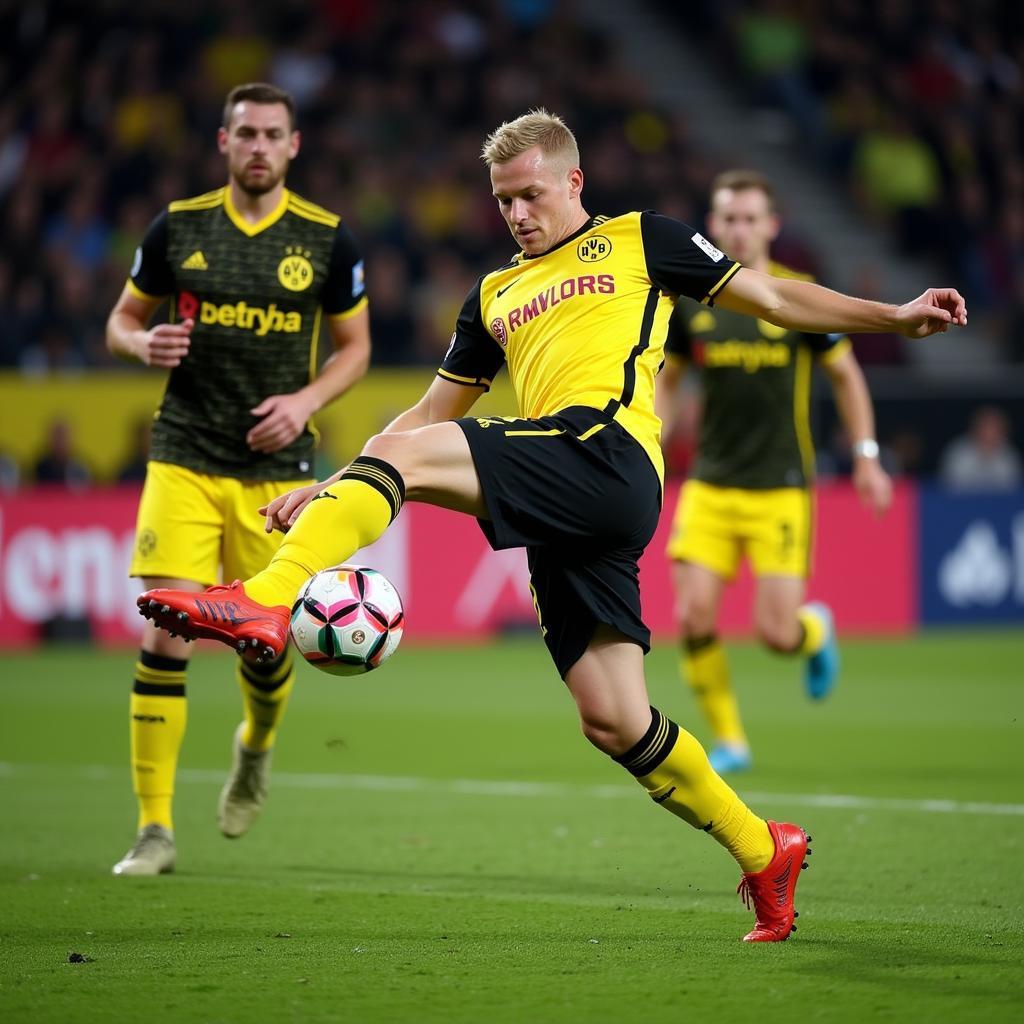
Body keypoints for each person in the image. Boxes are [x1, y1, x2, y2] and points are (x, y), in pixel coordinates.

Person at [137, 110, 966, 940]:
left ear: (573, 181)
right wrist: (334, 483)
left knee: (419, 462)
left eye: (531, 194)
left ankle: (270, 598)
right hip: (569, 511)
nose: (518, 215)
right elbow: (428, 411)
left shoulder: (644, 238)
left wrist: (894, 317)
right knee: (614, 719)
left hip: (606, 454)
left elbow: (777, 297)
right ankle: (764, 849)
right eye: (504, 202)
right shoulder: (494, 292)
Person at [105, 83, 371, 876]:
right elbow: (121, 320)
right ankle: (153, 829)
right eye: (245, 133)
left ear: (295, 146)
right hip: (183, 455)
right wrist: (137, 346)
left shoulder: (327, 240)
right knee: (165, 631)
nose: (259, 146)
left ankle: (255, 745)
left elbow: (355, 347)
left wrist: (307, 400)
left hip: (276, 473)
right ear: (223, 142)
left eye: (273, 134)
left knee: (263, 643)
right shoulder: (177, 228)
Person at [655, 170, 893, 774]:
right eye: (728, 218)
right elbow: (671, 379)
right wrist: (648, 440)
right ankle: (731, 739)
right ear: (713, 226)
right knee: (692, 616)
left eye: (749, 218)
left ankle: (813, 632)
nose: (738, 228)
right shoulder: (695, 306)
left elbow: (845, 375)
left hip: (781, 488)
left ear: (771, 226)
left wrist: (866, 456)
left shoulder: (799, 294)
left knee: (776, 635)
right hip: (709, 484)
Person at [939, 405, 1022, 492]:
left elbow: (1013, 490)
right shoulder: (958, 453)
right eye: (987, 427)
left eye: (996, 429)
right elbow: (948, 487)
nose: (991, 434)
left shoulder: (1010, 456)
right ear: (976, 428)